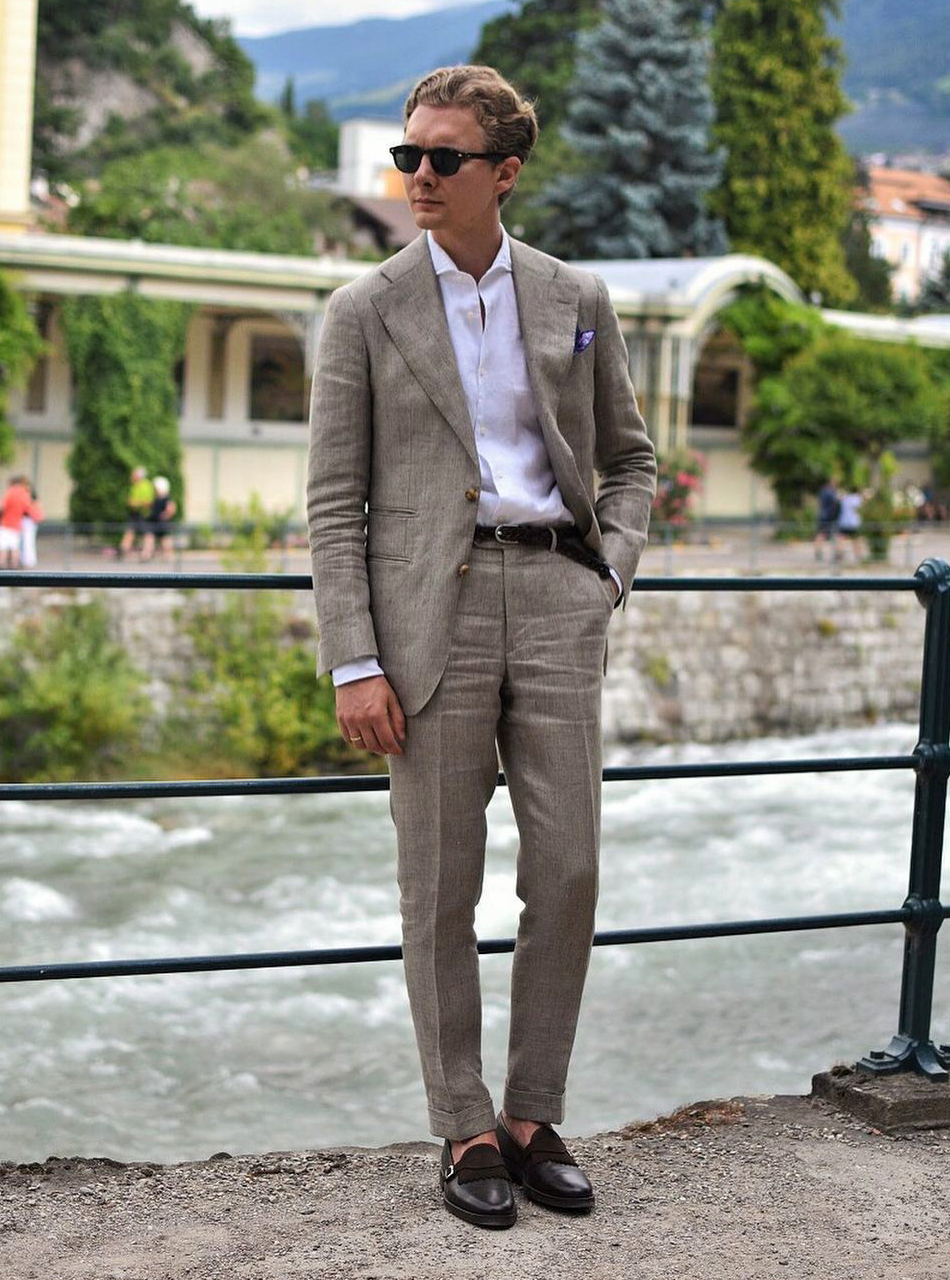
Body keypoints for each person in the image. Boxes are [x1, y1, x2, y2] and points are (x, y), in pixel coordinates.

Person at [307, 64, 656, 1230]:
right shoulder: (362, 310)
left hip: (556, 595)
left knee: (566, 871)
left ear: (501, 172)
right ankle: (462, 1122)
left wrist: (609, 568)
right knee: (438, 888)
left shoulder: (573, 295)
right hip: (424, 620)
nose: (414, 175)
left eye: (440, 158)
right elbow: (333, 504)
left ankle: (530, 1111)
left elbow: (632, 456)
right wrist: (353, 658)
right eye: (407, 154)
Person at [0, 475, 36, 570]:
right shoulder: (24, 493)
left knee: (3, 549)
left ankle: (3, 572)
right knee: (15, 549)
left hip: (6, 524)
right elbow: (28, 507)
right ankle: (15, 573)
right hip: (16, 525)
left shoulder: (10, 492)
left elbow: (2, 506)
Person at [118, 466, 154, 559]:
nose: (131, 476)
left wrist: (137, 503)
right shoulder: (134, 486)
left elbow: (149, 502)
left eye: (134, 474)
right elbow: (131, 500)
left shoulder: (146, 485)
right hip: (135, 514)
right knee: (129, 532)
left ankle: (146, 554)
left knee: (147, 534)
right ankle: (122, 552)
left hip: (144, 514)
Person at [140, 476, 177, 561]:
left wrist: (166, 516)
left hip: (162, 523)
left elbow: (171, 509)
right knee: (149, 538)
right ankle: (146, 555)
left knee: (165, 540)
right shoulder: (156, 498)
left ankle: (168, 556)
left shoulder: (166, 498)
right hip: (154, 521)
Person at [814, 478, 840, 561]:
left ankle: (818, 552)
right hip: (828, 517)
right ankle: (836, 553)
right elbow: (836, 502)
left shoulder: (823, 491)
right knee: (834, 534)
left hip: (823, 516)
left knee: (821, 534)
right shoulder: (830, 492)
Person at [837, 486, 864, 563]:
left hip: (844, 522)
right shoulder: (857, 499)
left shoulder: (845, 498)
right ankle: (858, 555)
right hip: (853, 523)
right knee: (856, 539)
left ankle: (839, 553)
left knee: (841, 538)